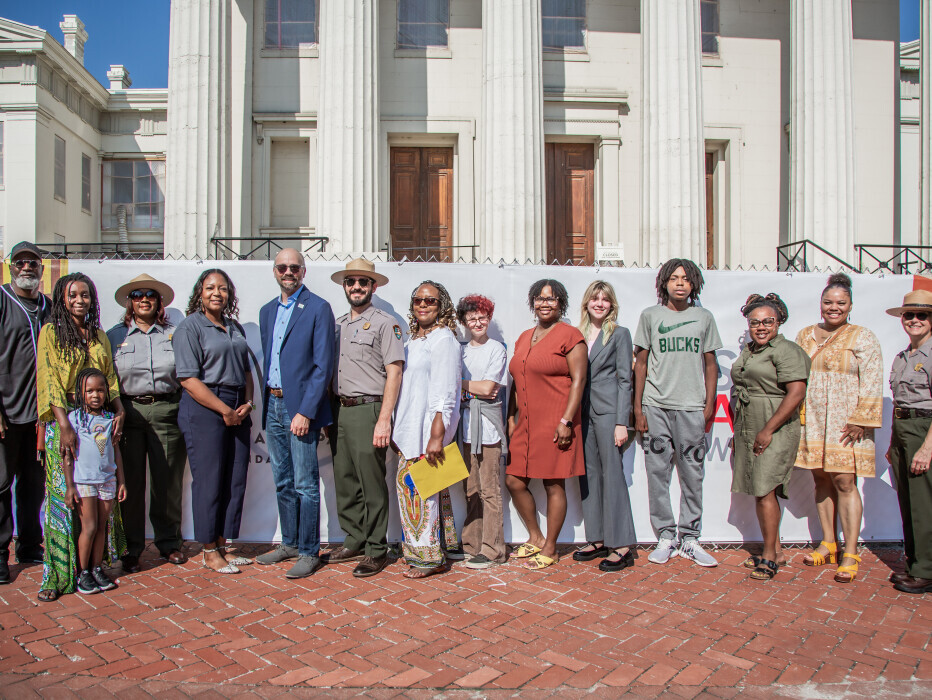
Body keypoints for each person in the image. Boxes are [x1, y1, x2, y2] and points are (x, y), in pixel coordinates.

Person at [36, 272, 126, 602]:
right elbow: (48, 382)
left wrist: (120, 410)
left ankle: (92, 567)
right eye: (72, 294)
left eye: (85, 295)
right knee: (64, 501)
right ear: (62, 298)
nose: (79, 300)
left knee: (97, 505)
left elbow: (110, 380)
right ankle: (57, 576)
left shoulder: (100, 336)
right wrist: (64, 426)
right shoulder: (51, 333)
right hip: (66, 425)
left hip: (100, 425)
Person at [794, 272, 883, 583]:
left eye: (840, 303)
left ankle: (850, 552)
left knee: (845, 482)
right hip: (813, 418)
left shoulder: (862, 336)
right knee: (820, 479)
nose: (834, 307)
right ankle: (828, 542)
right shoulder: (804, 335)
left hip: (847, 422)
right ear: (820, 304)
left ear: (850, 305)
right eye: (828, 302)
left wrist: (862, 419)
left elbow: (872, 378)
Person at [633, 259, 722, 567]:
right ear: (664, 284)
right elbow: (641, 364)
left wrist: (709, 403)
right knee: (658, 474)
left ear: (694, 283)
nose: (680, 283)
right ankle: (666, 536)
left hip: (692, 407)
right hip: (655, 406)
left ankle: (690, 537)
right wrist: (638, 408)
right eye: (673, 278)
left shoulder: (704, 317)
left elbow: (711, 364)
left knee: (692, 474)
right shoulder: (650, 316)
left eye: (685, 278)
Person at [256, 250, 335, 579]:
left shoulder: (318, 308)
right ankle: (288, 542)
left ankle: (308, 550)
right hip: (272, 404)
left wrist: (305, 411)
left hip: (300, 407)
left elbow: (323, 366)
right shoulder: (267, 311)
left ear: (303, 271)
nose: (288, 272)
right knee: (282, 481)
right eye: (282, 267)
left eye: (294, 267)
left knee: (305, 484)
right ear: (275, 271)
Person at [172, 269, 254, 575]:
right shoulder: (189, 328)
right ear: (200, 293)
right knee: (209, 481)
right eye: (210, 288)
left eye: (222, 288)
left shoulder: (234, 328)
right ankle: (208, 551)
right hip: (204, 407)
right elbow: (188, 379)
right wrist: (224, 410)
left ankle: (222, 544)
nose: (216, 293)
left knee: (233, 479)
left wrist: (247, 403)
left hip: (237, 404)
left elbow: (246, 372)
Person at [326, 259, 405, 578]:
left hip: (369, 408)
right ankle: (354, 538)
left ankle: (376, 548)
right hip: (340, 410)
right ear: (344, 286)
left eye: (362, 281)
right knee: (345, 480)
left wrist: (384, 418)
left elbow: (395, 371)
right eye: (351, 281)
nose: (356, 286)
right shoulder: (338, 324)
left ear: (373, 287)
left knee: (371, 483)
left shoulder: (387, 323)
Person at [106, 273, 187, 572]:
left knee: (166, 483)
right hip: (127, 413)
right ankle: (131, 548)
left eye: (150, 295)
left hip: (166, 410)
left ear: (159, 301)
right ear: (130, 302)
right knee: (130, 484)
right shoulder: (115, 336)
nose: (144, 300)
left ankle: (168, 543)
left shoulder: (175, 334)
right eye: (137, 295)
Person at [507, 279, 587, 570]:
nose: (545, 303)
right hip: (526, 424)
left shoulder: (570, 335)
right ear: (532, 302)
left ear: (561, 303)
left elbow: (579, 381)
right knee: (514, 480)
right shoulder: (524, 336)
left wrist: (566, 421)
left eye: (552, 299)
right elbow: (517, 380)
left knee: (554, 484)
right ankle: (535, 536)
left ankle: (551, 547)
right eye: (540, 298)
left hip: (556, 421)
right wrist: (512, 416)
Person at [731, 294, 810, 581]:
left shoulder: (787, 350)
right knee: (760, 489)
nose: (761, 327)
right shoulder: (751, 350)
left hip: (774, 425)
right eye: (755, 322)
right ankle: (775, 550)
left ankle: (768, 556)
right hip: (749, 423)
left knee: (765, 489)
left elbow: (796, 393)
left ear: (779, 322)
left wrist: (768, 429)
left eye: (768, 321)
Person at [393, 281, 462, 578]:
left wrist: (437, 435)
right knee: (425, 491)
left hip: (425, 431)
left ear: (442, 305)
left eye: (430, 301)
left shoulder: (444, 339)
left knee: (418, 492)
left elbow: (445, 392)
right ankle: (436, 550)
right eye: (418, 300)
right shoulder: (413, 340)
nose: (423, 305)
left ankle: (427, 560)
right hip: (409, 429)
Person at [573, 280, 637, 573]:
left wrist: (622, 421)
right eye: (595, 298)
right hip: (581, 412)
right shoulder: (577, 334)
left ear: (612, 305)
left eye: (605, 299)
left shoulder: (620, 334)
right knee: (589, 475)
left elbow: (626, 379)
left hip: (610, 412)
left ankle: (622, 545)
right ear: (587, 303)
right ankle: (597, 538)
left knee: (612, 474)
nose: (600, 303)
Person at [0, 242, 50, 583]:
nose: (26, 267)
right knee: (1, 486)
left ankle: (30, 545)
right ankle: (0, 555)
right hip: (6, 411)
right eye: (20, 262)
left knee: (33, 486)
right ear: (11, 267)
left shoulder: (48, 306)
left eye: (32, 262)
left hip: (40, 416)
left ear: (41, 269)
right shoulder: (2, 299)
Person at [64, 368, 128, 594]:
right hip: (84, 481)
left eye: (100, 390)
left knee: (101, 526)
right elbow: (68, 456)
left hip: (107, 481)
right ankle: (83, 573)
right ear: (80, 393)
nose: (95, 395)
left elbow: (115, 450)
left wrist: (121, 481)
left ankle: (96, 567)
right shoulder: (74, 419)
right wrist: (70, 486)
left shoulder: (111, 419)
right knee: (89, 526)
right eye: (89, 390)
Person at [885, 290, 932, 594]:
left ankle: (925, 571)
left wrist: (927, 447)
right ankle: (915, 563)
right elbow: (899, 402)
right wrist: (893, 442)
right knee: (908, 500)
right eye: (909, 315)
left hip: (924, 429)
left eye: (922, 315)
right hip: (903, 428)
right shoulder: (903, 356)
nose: (914, 320)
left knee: (923, 504)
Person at [456, 294, 508, 570]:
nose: (477, 322)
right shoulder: (461, 350)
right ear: (464, 321)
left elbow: (489, 388)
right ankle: (471, 544)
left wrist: (461, 383)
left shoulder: (497, 348)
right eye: (472, 318)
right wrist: (473, 387)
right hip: (465, 428)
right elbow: (479, 388)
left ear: (489, 318)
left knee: (489, 490)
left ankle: (493, 549)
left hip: (488, 429)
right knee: (471, 489)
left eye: (482, 317)